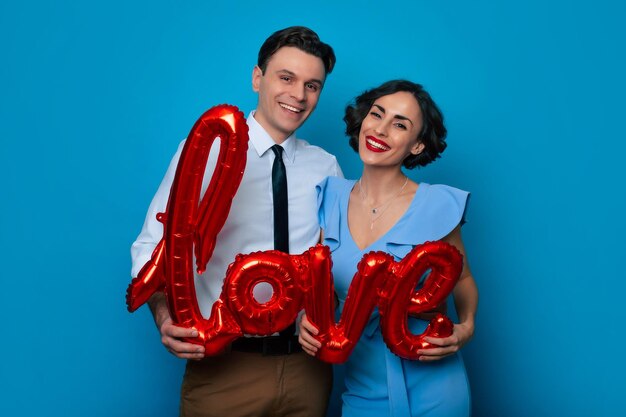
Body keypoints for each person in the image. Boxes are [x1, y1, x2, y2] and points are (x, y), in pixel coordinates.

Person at [131, 26, 342, 417]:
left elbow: (335, 259)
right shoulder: (206, 150)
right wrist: (164, 317)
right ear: (257, 78)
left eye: (312, 85)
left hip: (306, 370)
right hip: (225, 367)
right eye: (286, 78)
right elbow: (152, 245)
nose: (298, 95)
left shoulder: (326, 167)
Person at [299, 80, 478, 417]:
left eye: (399, 124)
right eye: (376, 114)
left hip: (434, 385)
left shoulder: (437, 204)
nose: (380, 129)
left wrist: (466, 327)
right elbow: (314, 284)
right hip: (363, 385)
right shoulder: (330, 196)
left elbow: (463, 278)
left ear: (416, 146)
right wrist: (303, 321)